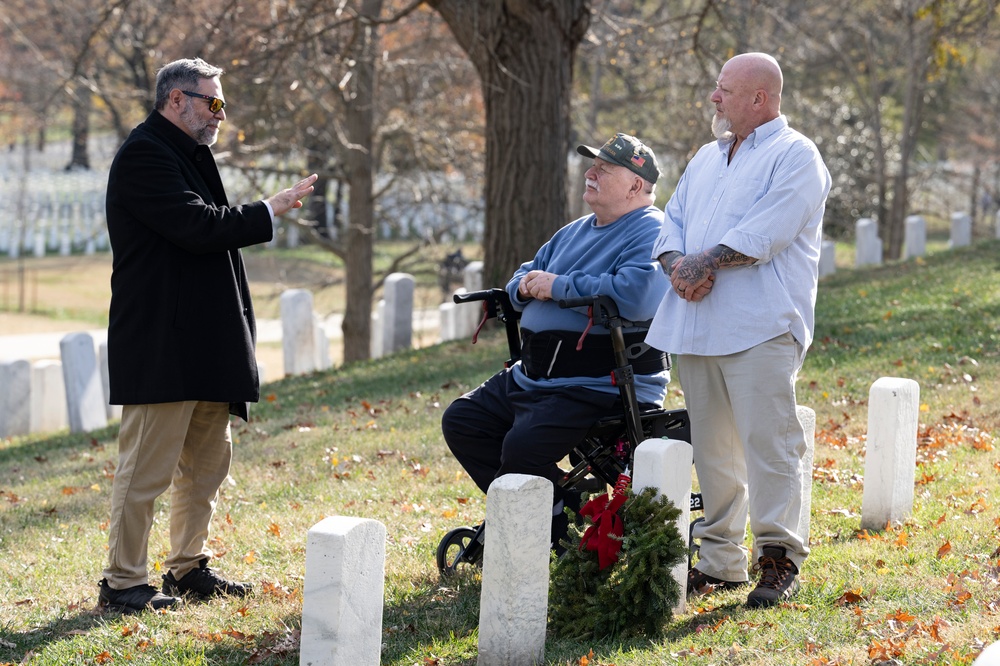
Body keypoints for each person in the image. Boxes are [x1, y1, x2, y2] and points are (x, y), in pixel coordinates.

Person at [98, 57, 318, 614]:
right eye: (213, 102)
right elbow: (199, 227)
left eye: (222, 103)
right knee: (144, 471)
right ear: (177, 100)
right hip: (163, 343)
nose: (221, 114)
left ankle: (187, 568)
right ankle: (123, 581)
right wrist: (269, 209)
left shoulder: (187, 153)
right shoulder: (146, 154)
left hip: (204, 342)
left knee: (205, 466)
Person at [646, 52, 831, 608]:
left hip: (760, 325)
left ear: (760, 98)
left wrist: (701, 264)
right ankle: (721, 562)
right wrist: (679, 264)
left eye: (724, 89)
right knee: (713, 452)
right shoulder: (706, 157)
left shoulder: (796, 156)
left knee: (770, 446)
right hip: (697, 325)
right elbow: (671, 221)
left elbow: (766, 232)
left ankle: (778, 558)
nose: (714, 97)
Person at [441, 133, 670, 549]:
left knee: (523, 447)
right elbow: (522, 277)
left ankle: (538, 529)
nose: (591, 173)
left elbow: (636, 296)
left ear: (636, 185)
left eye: (605, 168)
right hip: (534, 376)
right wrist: (524, 289)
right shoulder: (573, 232)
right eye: (592, 165)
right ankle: (553, 503)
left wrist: (556, 287)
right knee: (463, 421)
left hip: (600, 383)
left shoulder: (651, 231)